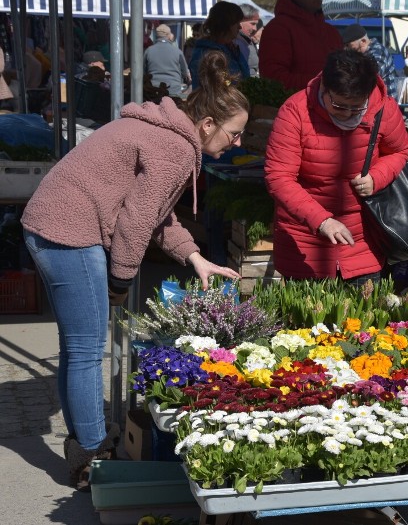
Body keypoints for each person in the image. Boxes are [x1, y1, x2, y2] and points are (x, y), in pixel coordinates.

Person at [21, 50, 244, 491]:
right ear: (206, 125)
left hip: (48, 223)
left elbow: (156, 213)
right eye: (234, 134)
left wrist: (194, 257)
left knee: (76, 347)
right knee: (86, 350)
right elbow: (137, 220)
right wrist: (121, 282)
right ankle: (92, 457)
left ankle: (82, 442)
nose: (237, 143)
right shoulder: (177, 149)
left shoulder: (163, 130)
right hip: (69, 230)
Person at [265, 49, 408, 284]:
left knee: (363, 318)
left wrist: (376, 177)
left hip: (363, 241)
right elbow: (278, 177)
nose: (348, 114)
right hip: (305, 242)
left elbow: (399, 150)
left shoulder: (384, 108)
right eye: (340, 106)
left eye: (357, 108)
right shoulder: (295, 111)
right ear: (324, 86)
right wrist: (321, 220)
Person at [259, 0, 342, 90]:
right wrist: (322, 84)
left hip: (331, 108)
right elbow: (273, 78)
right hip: (295, 108)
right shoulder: (278, 29)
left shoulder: (331, 32)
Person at [189, 1, 249, 90]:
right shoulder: (205, 53)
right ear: (226, 24)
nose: (240, 27)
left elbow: (245, 78)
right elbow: (224, 85)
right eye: (237, 23)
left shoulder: (232, 50)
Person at [342, 24, 399, 100]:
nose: (346, 49)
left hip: (386, 104)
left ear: (363, 41)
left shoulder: (378, 51)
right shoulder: (363, 54)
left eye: (349, 45)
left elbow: (372, 74)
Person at [144, 23, 190, 96]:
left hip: (154, 90)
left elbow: (144, 71)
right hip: (173, 91)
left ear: (157, 35)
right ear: (169, 36)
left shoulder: (148, 51)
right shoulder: (177, 52)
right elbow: (185, 73)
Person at [236, 4, 260, 77]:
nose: (255, 28)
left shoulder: (247, 40)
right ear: (240, 22)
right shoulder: (234, 42)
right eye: (252, 24)